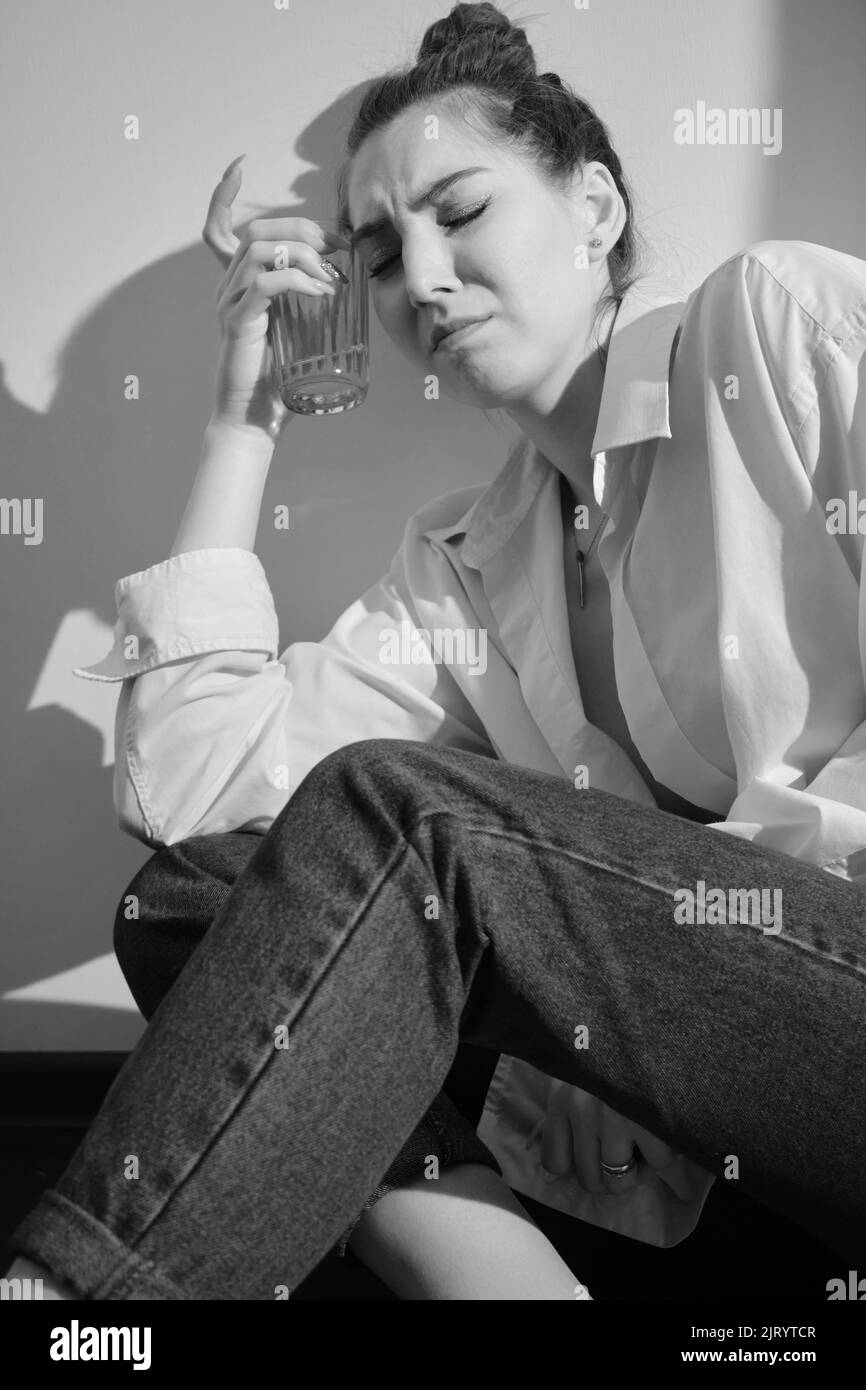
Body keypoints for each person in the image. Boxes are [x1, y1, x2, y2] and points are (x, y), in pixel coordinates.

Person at [6, 1, 866, 1301]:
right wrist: (246, 409)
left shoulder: (773, 321)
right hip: (702, 1182)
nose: (424, 277)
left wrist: (642, 969)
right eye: (382, 254)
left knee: (401, 811)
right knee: (198, 895)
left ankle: (73, 1316)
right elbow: (185, 787)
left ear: (595, 206)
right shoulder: (465, 557)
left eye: (458, 212)